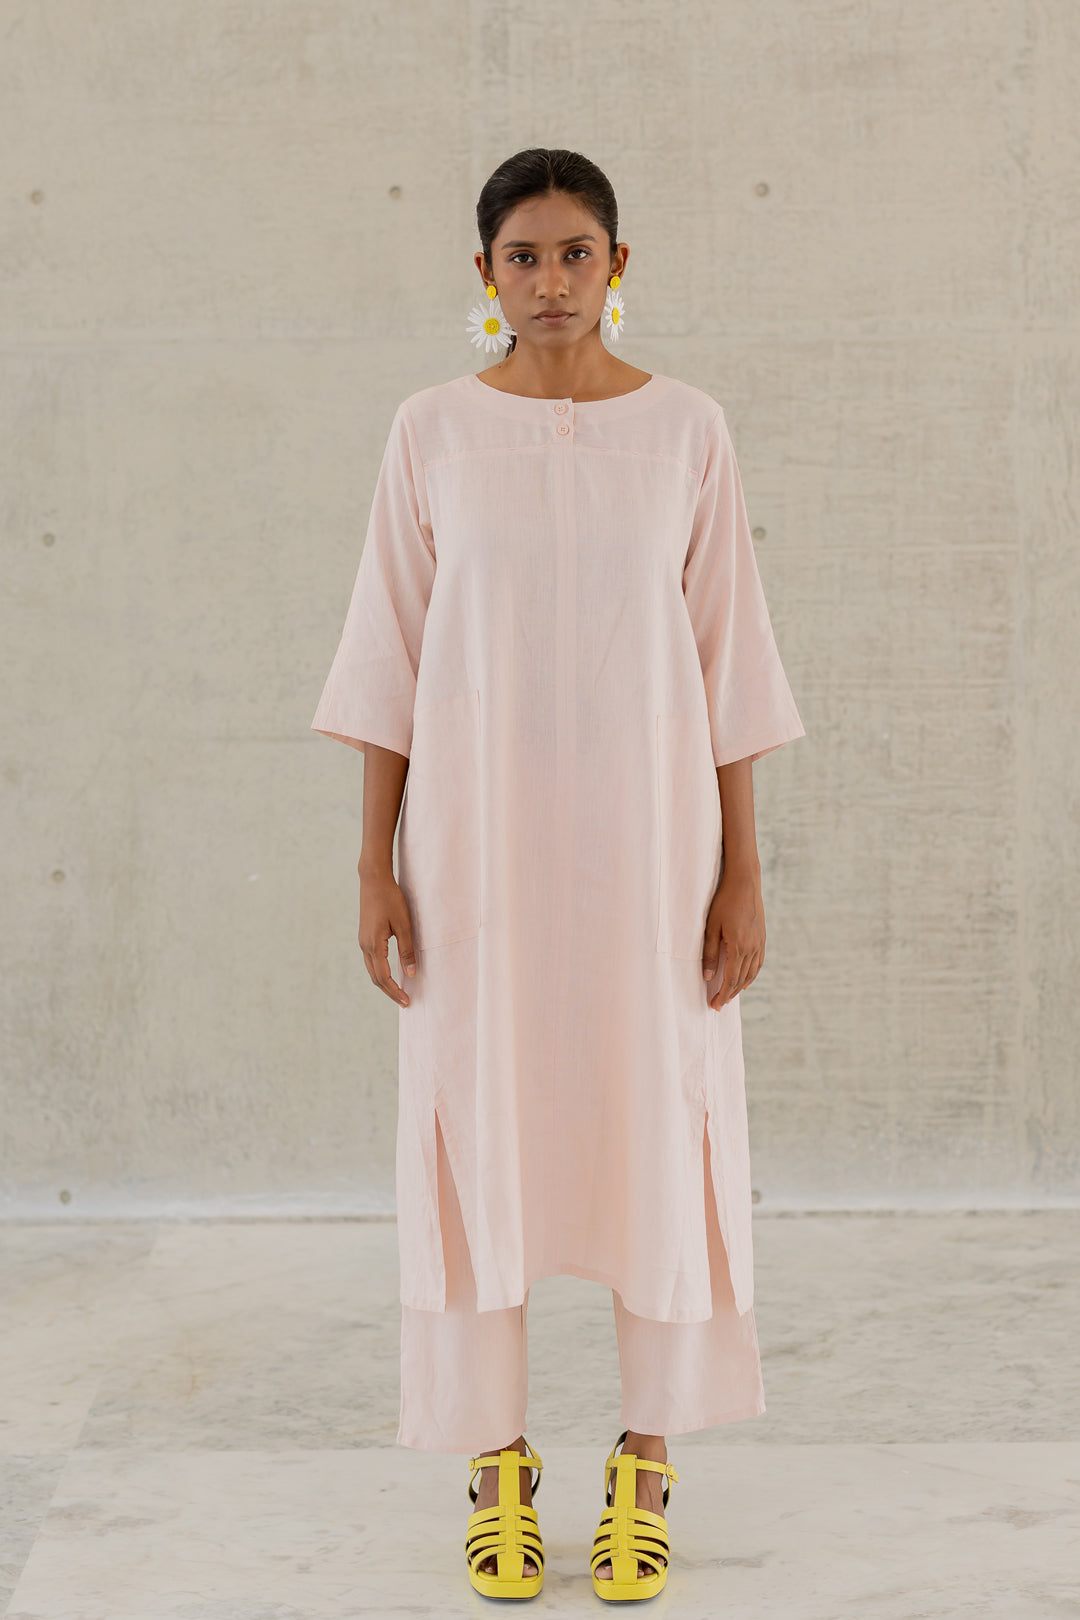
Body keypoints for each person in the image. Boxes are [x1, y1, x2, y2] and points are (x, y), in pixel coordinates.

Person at [310, 147, 806, 1601]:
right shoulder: (431, 433)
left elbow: (731, 666)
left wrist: (745, 872)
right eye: (521, 257)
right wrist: (373, 862)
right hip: (477, 864)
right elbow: (388, 661)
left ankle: (649, 1461)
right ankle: (497, 1466)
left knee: (660, 1126)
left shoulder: (689, 431)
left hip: (655, 862)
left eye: (575, 253)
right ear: (484, 275)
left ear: (618, 264)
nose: (549, 283)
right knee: (480, 1133)